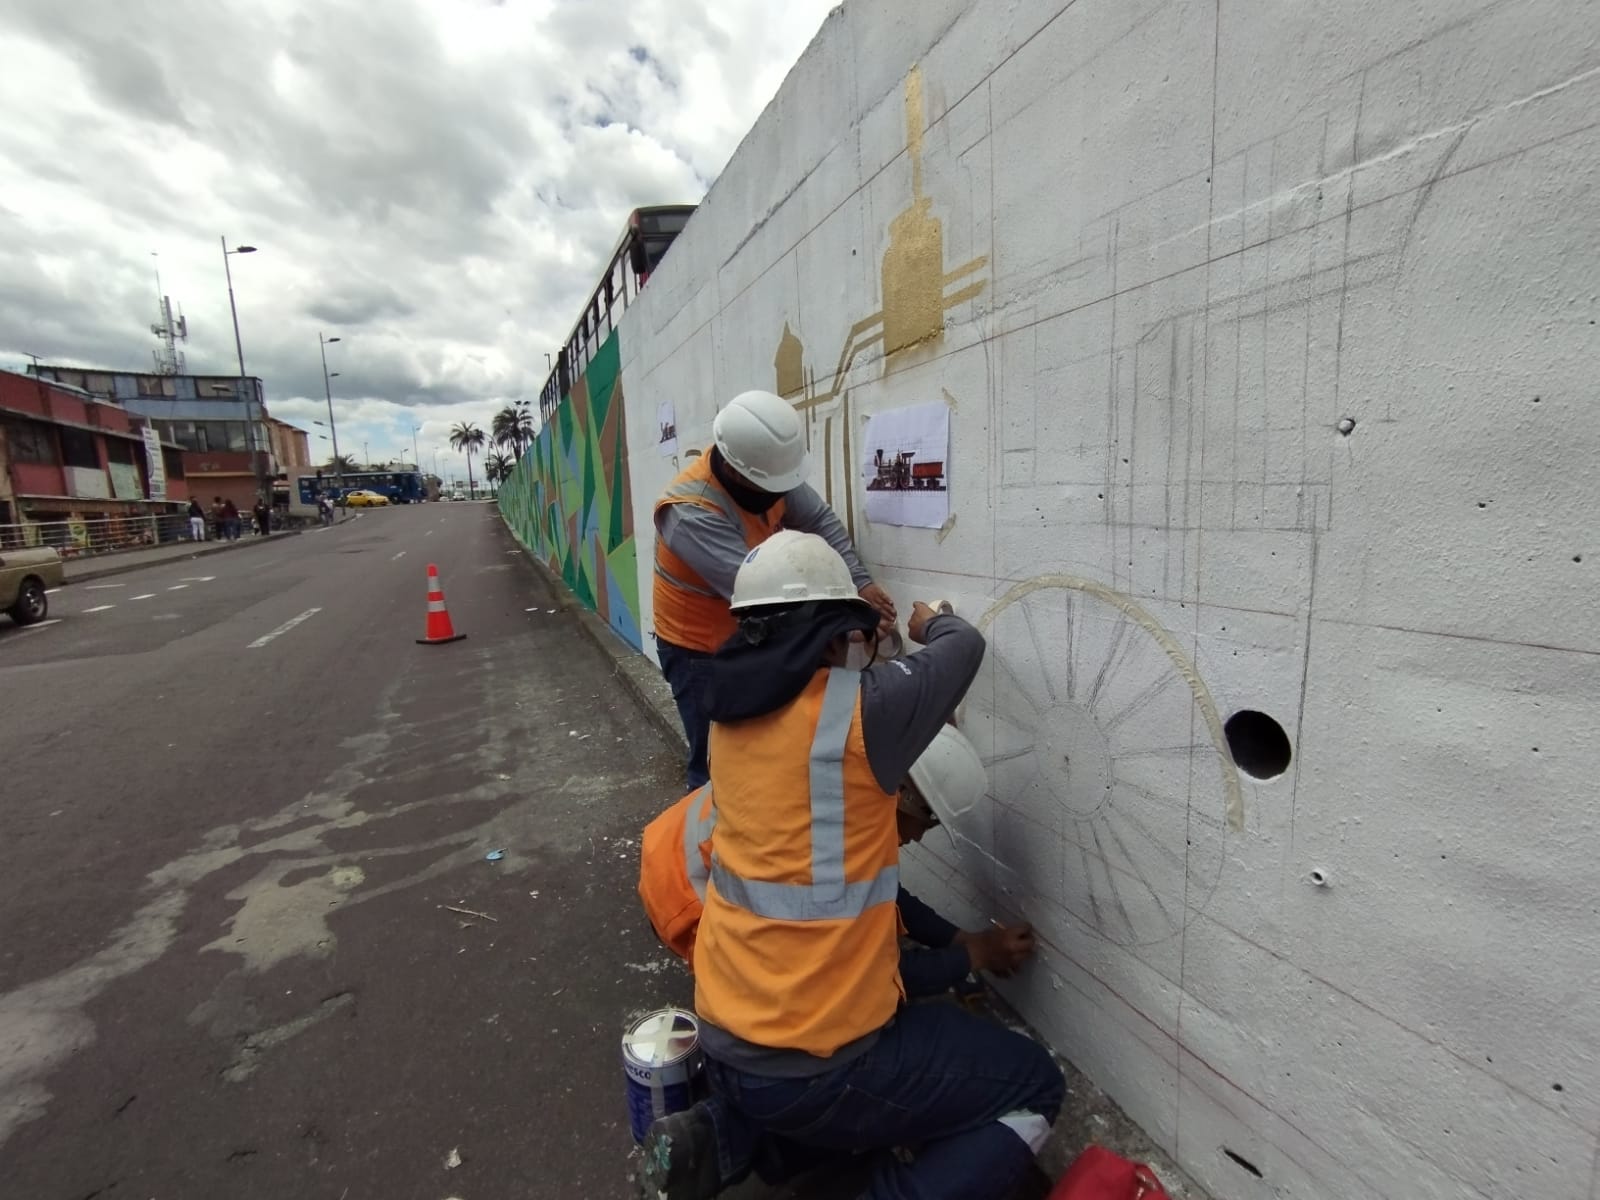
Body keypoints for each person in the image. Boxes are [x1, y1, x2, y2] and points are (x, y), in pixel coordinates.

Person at [643, 531, 1063, 1200]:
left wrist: (960, 944)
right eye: (853, 637)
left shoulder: (729, 716)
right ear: (833, 635)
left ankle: (729, 1137)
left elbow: (871, 895)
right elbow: (965, 648)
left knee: (895, 1059)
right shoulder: (861, 715)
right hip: (810, 1067)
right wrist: (932, 623)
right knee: (1035, 1082)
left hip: (725, 1032)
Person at [638, 725, 1038, 1196]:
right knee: (819, 1036)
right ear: (903, 796)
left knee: (774, 1035)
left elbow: (889, 897)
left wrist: (962, 938)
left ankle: (715, 1137)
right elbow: (882, 977)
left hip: (677, 865)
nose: (920, 838)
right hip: (686, 898)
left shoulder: (839, 792)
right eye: (926, 823)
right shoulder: (830, 859)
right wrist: (973, 955)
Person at [652, 390, 896, 791]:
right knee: (715, 761)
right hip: (698, 650)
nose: (781, 494)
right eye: (773, 486)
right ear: (734, 470)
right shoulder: (689, 512)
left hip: (751, 635)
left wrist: (860, 584)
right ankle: (708, 846)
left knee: (764, 749)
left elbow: (819, 520)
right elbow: (763, 594)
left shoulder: (766, 466)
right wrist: (847, 628)